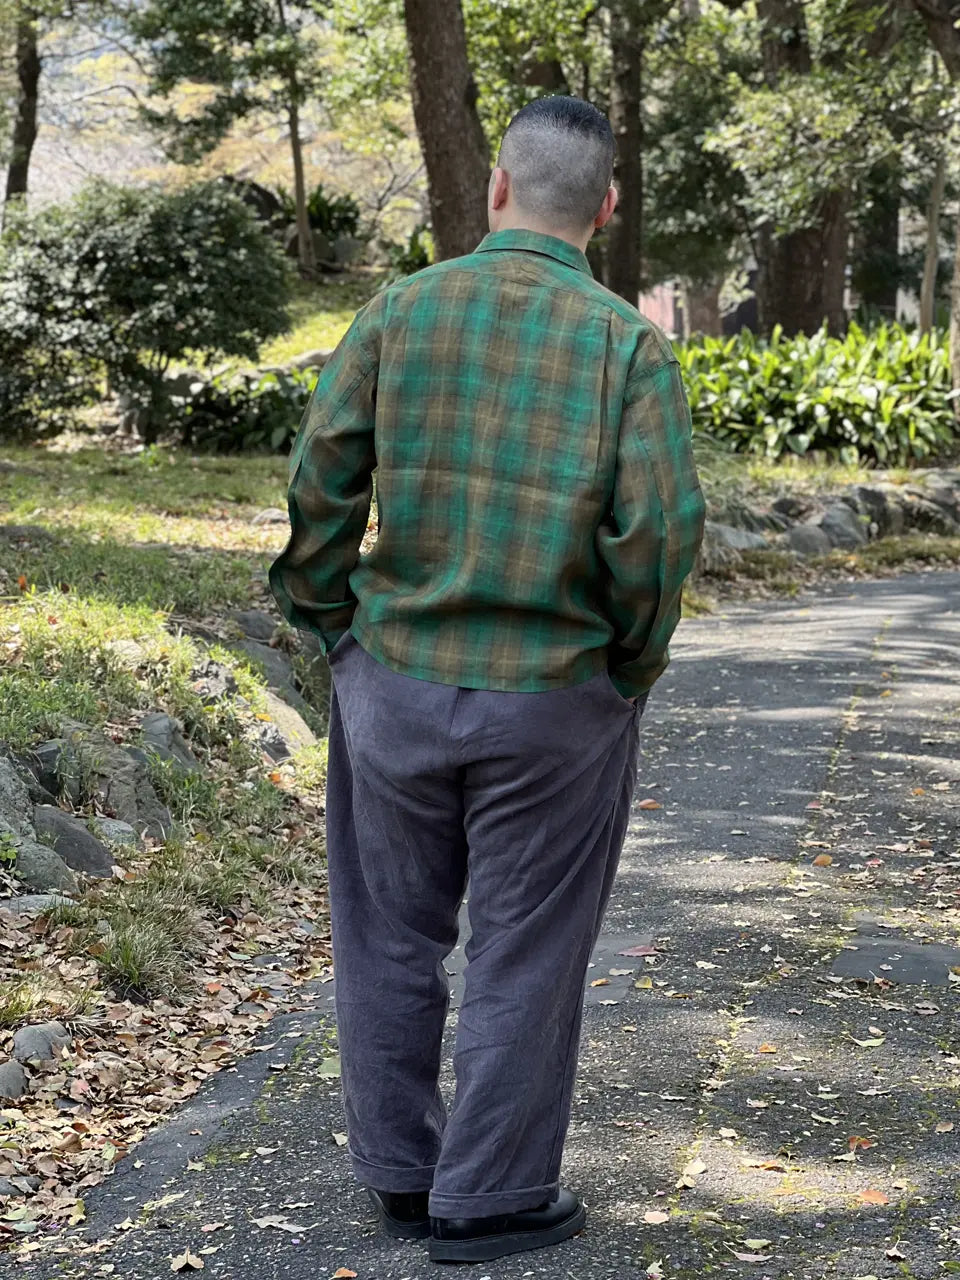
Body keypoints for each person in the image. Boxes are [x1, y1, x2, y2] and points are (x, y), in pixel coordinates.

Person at [270, 94, 705, 1265]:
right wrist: (624, 668)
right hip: (556, 696)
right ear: (606, 209)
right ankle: (492, 1196)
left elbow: (320, 483)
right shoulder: (628, 347)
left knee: (386, 933)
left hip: (395, 677)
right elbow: (659, 537)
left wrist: (334, 627)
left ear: (498, 186)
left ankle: (402, 1172)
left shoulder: (400, 310)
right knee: (527, 946)